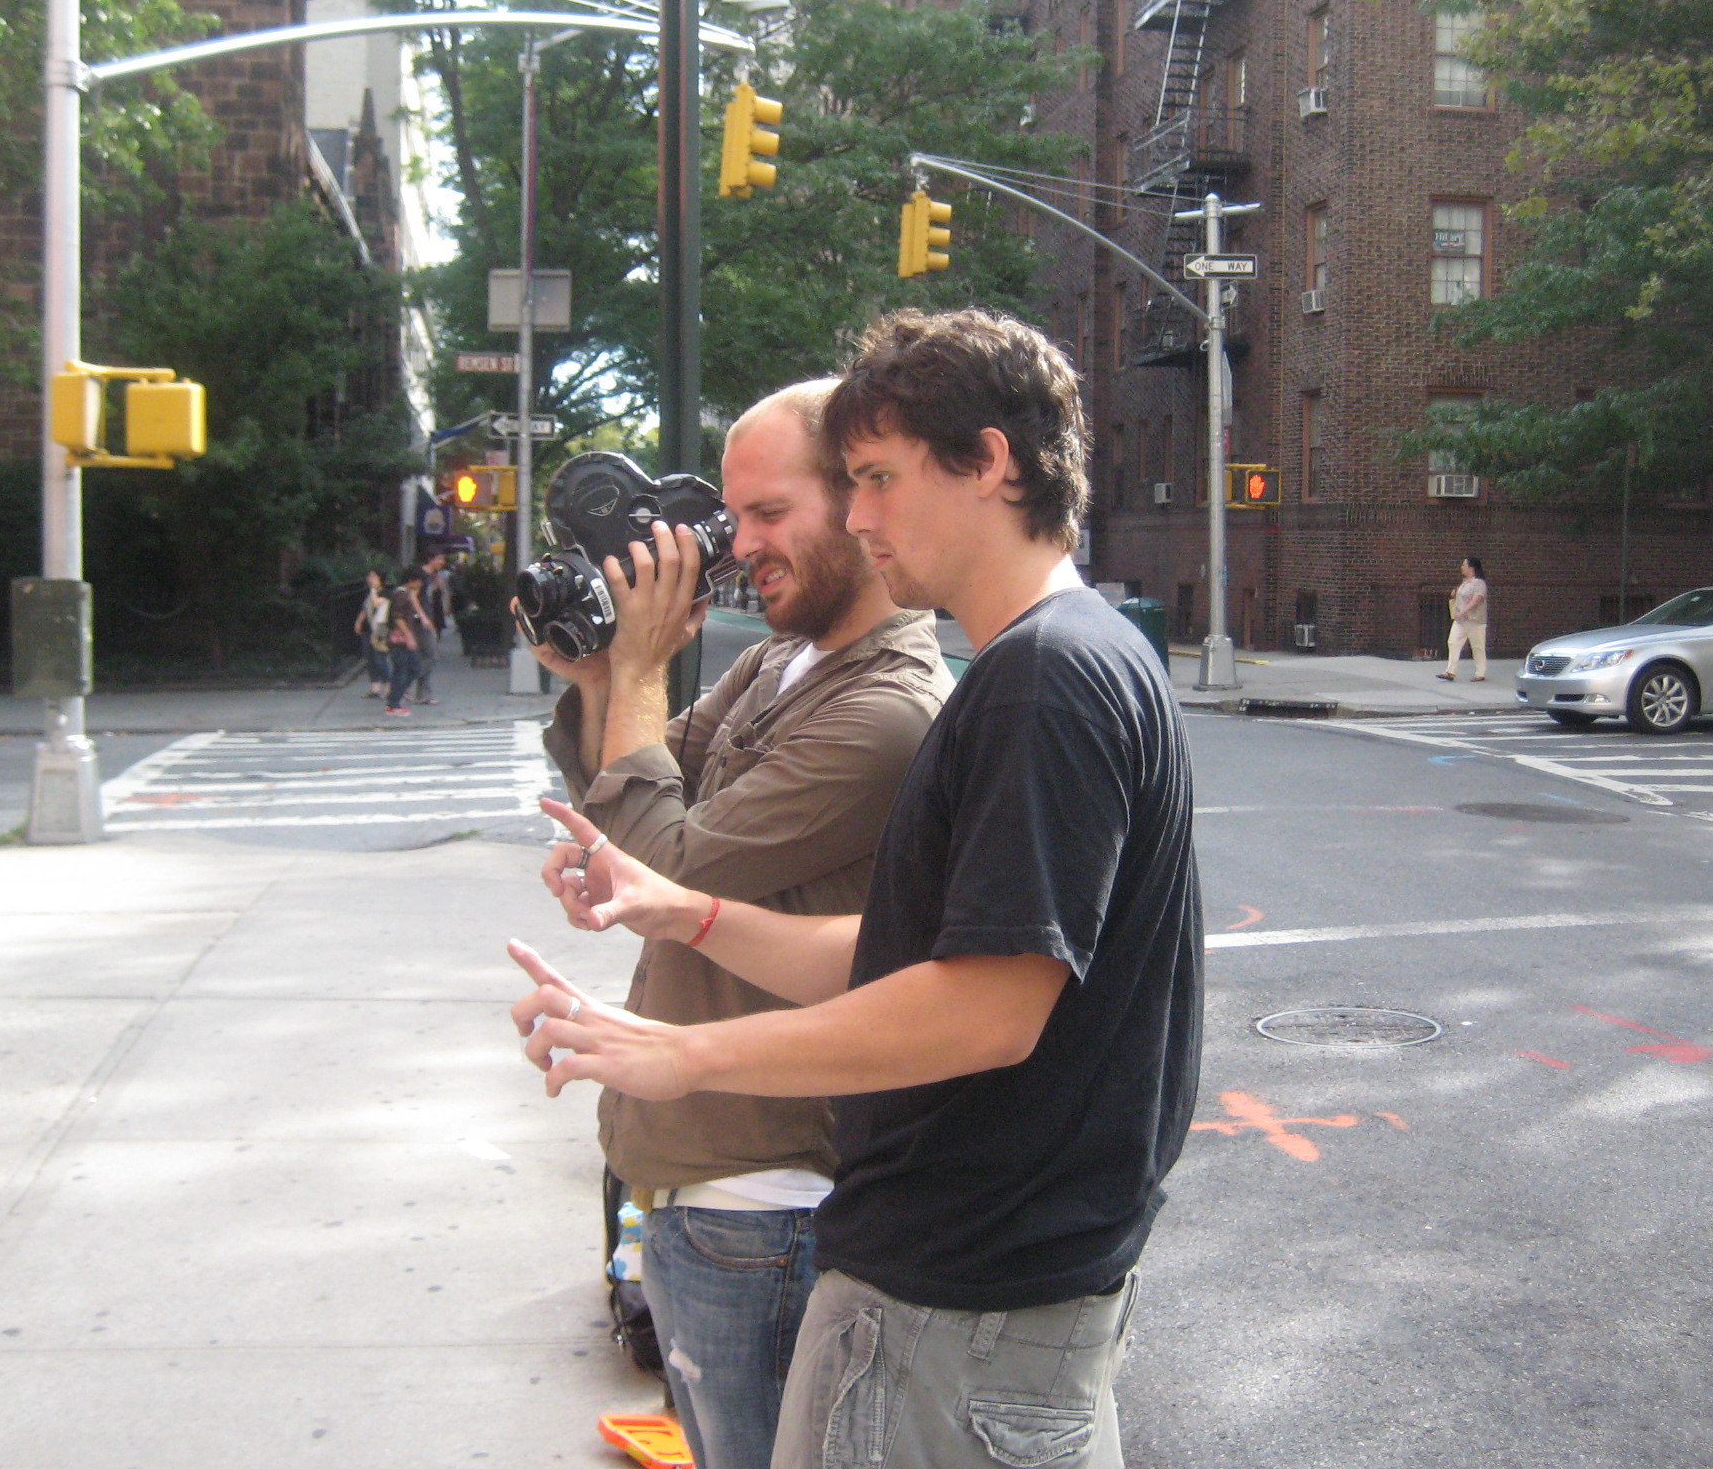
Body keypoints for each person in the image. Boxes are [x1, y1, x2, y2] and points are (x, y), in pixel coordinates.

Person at [508, 309, 1204, 1469]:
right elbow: (911, 950)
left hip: (958, 1296)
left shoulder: (1044, 681)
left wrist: (688, 1056)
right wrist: (684, 911)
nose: (862, 512)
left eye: (876, 478)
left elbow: (983, 1011)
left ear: (990, 462)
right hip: (970, 1291)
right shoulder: (1052, 662)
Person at [526, 378, 953, 1469]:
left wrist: (636, 668)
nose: (733, 544)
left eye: (767, 513)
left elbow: (666, 856)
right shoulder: (778, 662)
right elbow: (641, 800)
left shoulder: (884, 708)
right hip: (700, 1182)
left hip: (765, 1204)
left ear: (859, 504)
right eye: (730, 515)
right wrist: (595, 674)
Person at [385, 567, 429, 715]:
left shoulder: (405, 593)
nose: (421, 585)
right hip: (400, 640)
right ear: (412, 581)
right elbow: (398, 618)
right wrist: (409, 636)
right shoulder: (401, 595)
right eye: (419, 581)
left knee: (409, 668)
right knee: (405, 670)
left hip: (403, 638)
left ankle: (395, 698)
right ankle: (394, 702)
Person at [1440, 555, 1489, 682]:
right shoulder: (1464, 583)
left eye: (1464, 565)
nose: (1462, 568)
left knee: (1477, 646)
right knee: (1453, 642)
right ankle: (1450, 671)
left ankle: (1480, 672)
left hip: (1475, 620)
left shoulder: (1479, 583)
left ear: (1471, 568)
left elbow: (1477, 599)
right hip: (1461, 620)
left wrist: (1464, 611)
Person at [415, 551, 449, 704]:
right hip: (420, 621)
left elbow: (431, 595)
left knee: (427, 655)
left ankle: (422, 693)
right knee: (431, 654)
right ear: (431, 558)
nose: (442, 561)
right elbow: (413, 596)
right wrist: (422, 616)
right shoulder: (421, 575)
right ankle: (409, 681)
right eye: (439, 558)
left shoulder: (433, 576)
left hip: (429, 618)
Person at [354, 569, 390, 698]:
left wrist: (374, 590)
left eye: (373, 576)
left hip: (380, 628)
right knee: (369, 658)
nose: (370, 579)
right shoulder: (369, 592)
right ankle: (375, 687)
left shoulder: (385, 593)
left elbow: (376, 604)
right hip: (368, 628)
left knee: (380, 658)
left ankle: (387, 685)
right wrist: (359, 622)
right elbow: (365, 608)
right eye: (369, 576)